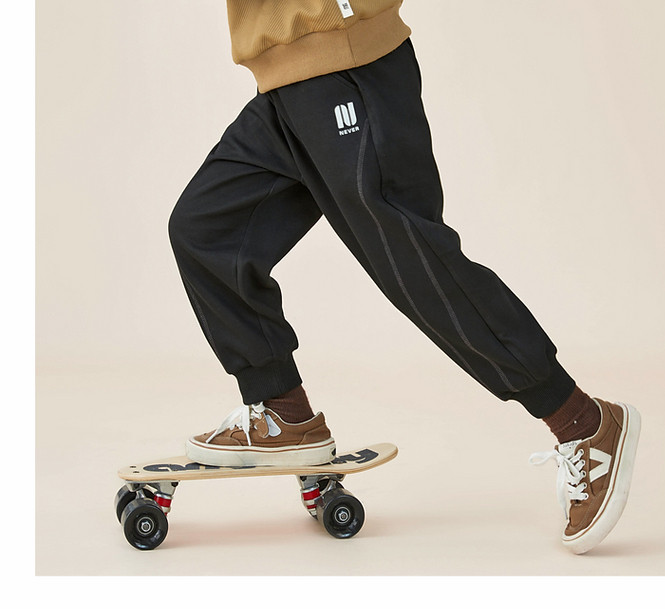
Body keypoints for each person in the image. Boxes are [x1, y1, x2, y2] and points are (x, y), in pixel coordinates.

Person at [167, 0, 641, 554]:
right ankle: (284, 412)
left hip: (346, 61)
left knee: (417, 266)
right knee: (208, 232)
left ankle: (582, 422)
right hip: (284, 81)